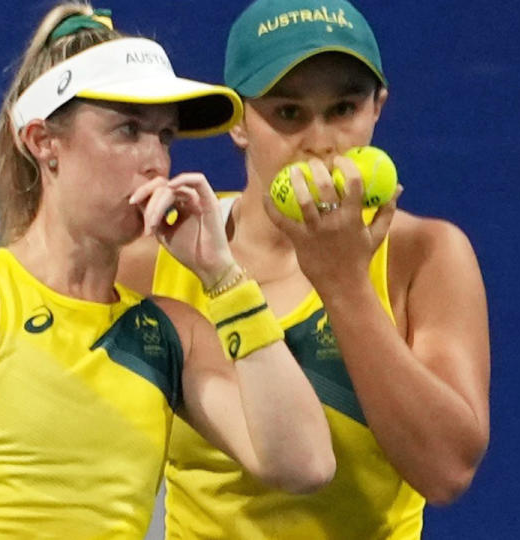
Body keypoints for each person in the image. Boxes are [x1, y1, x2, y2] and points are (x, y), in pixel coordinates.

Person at [0, 4, 336, 539]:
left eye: (164, 136)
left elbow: (304, 465)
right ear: (43, 142)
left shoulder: (173, 332)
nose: (155, 162)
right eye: (127, 131)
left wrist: (222, 275)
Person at [118, 0, 491, 538]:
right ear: (239, 123)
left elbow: (447, 471)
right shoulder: (151, 261)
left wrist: (343, 283)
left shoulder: (426, 255)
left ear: (377, 108)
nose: (321, 142)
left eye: (343, 109)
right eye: (288, 113)